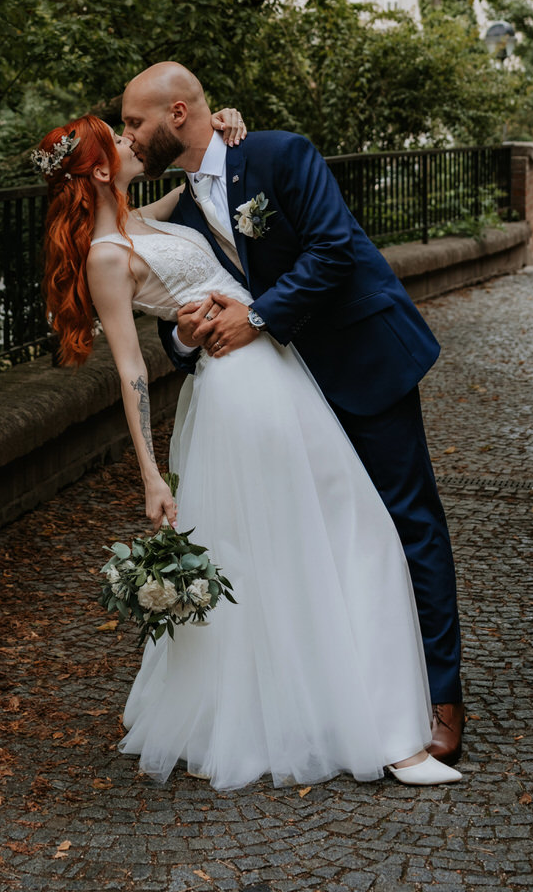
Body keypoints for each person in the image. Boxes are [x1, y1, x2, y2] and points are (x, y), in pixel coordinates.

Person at [37, 111, 461, 791]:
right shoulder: (106, 255)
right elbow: (132, 371)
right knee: (334, 534)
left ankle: (368, 704)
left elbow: (208, 180)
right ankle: (366, 723)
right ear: (95, 169)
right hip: (243, 391)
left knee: (324, 539)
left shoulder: (153, 211)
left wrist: (222, 121)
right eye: (117, 139)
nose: (129, 139)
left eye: (131, 125)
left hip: (282, 372)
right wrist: (151, 476)